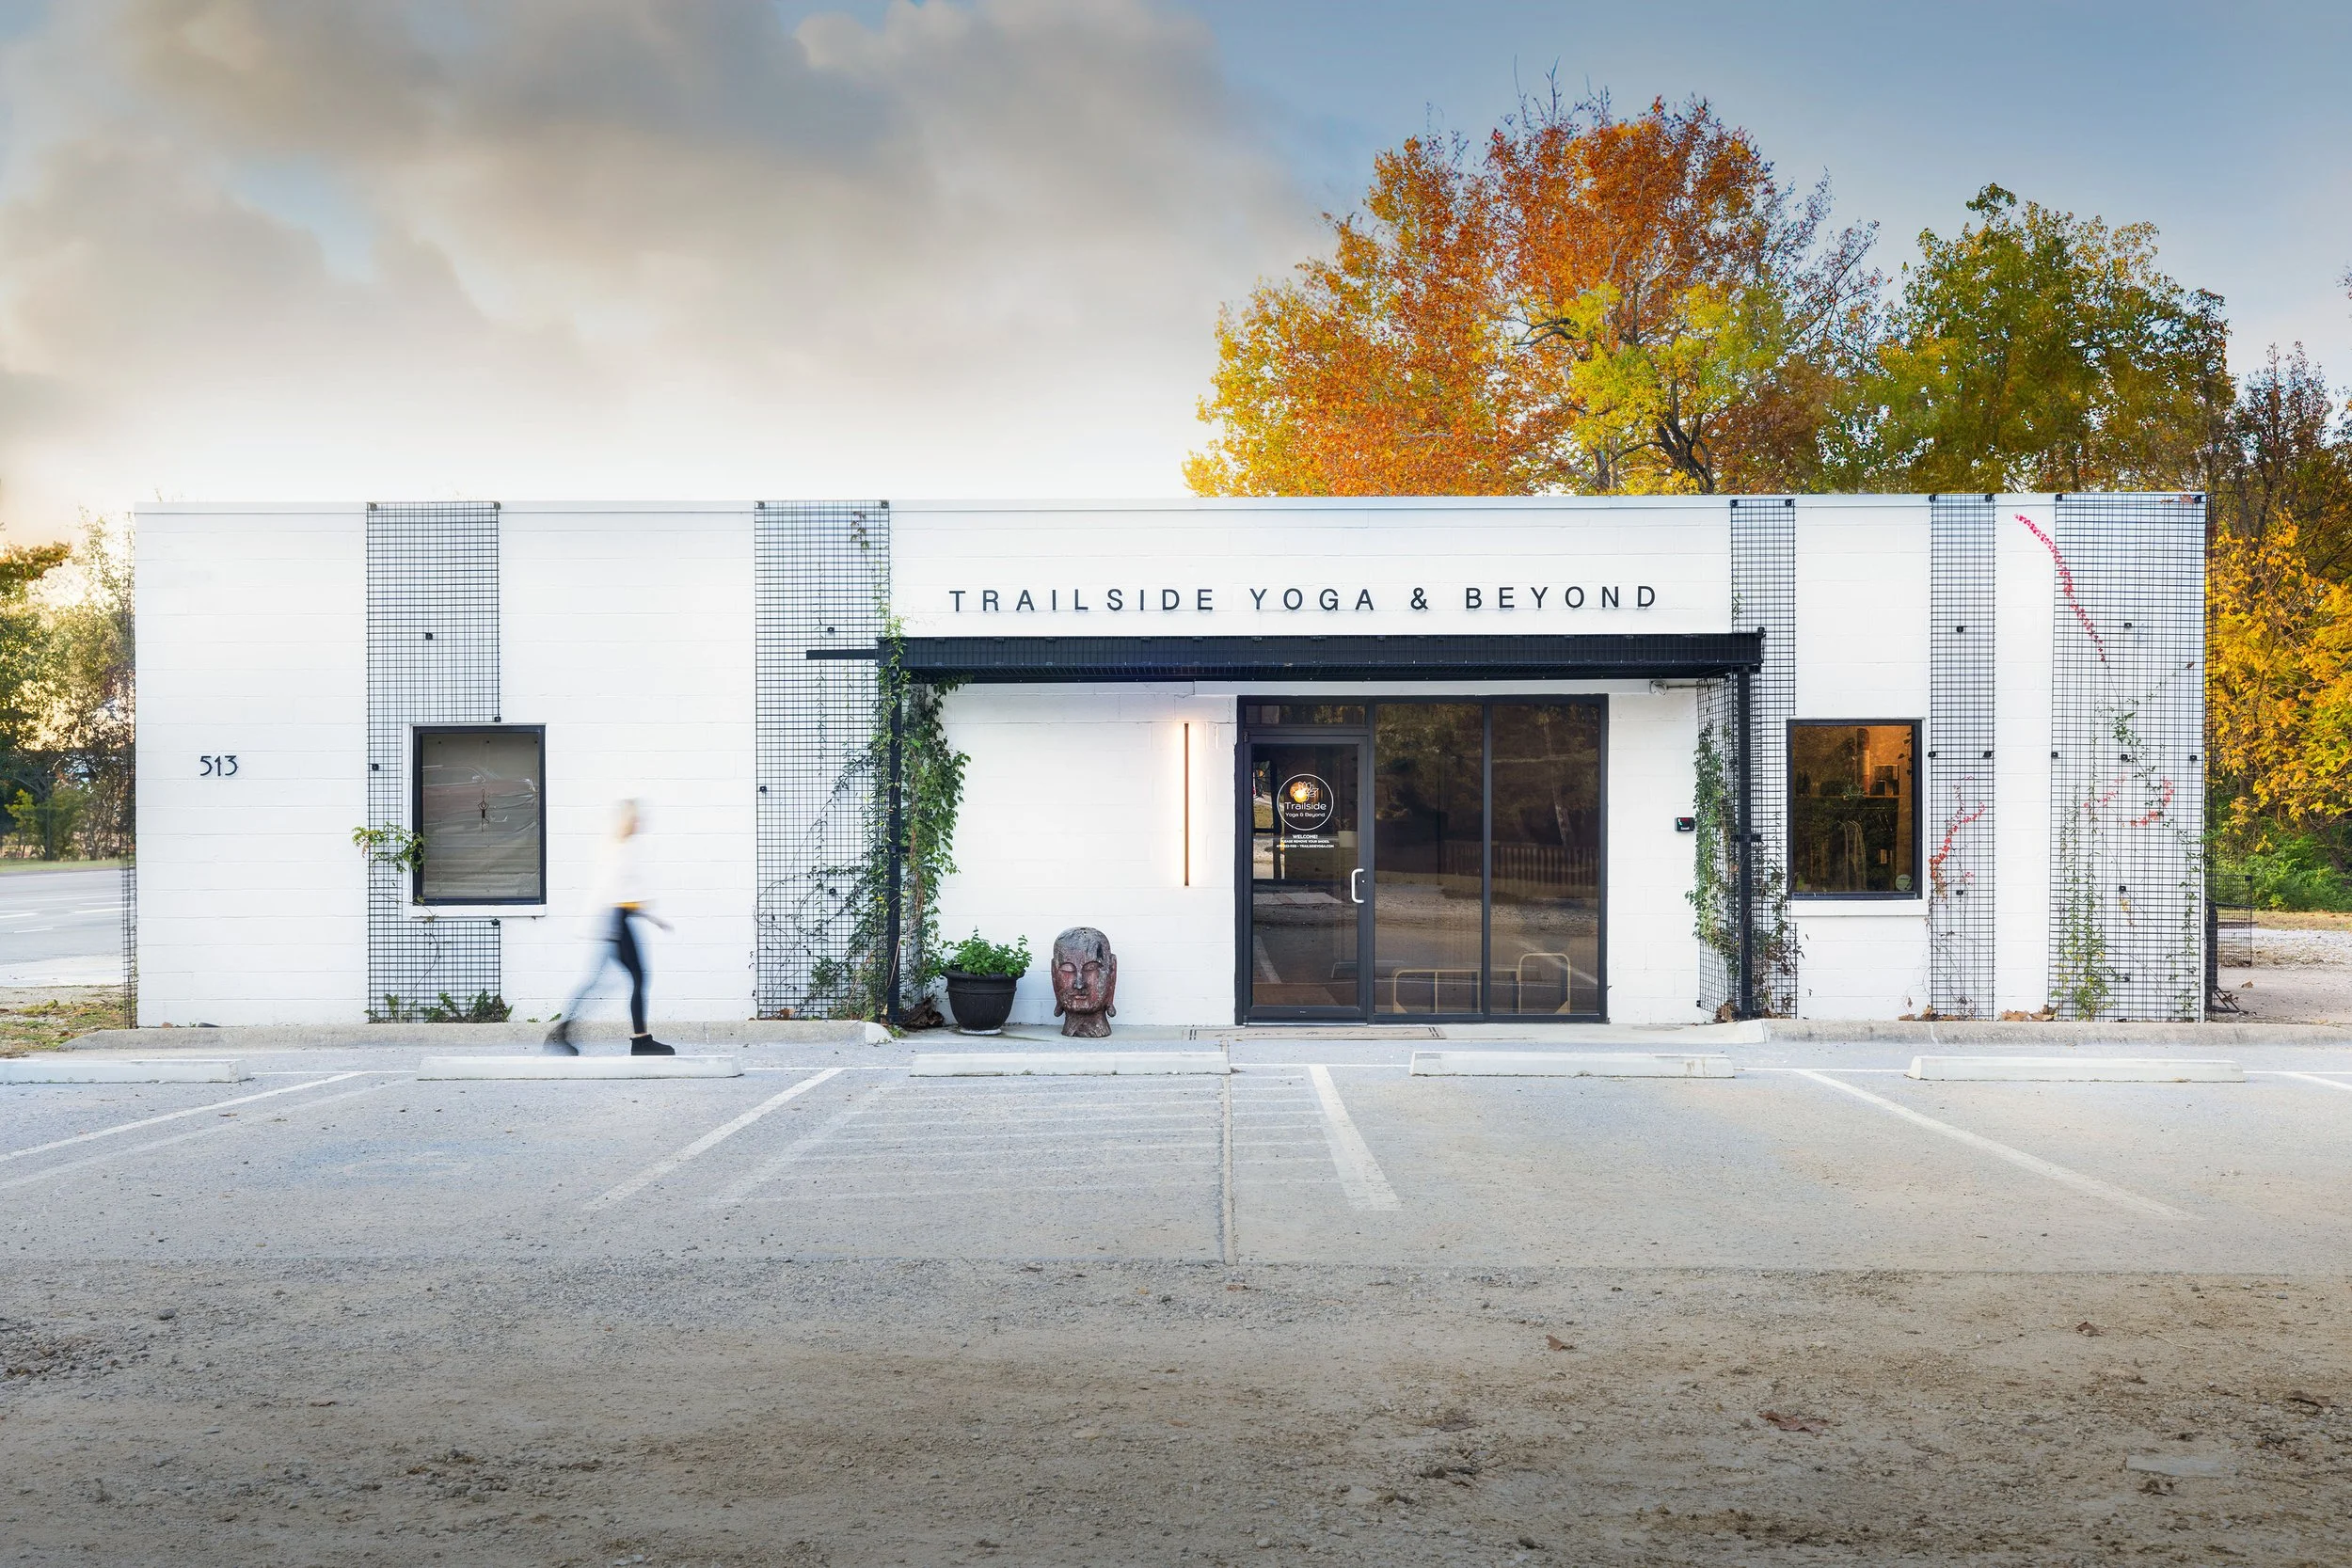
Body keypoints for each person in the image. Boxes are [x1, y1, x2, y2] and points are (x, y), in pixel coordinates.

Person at [546, 800, 674, 1055]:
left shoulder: (622, 847)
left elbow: (625, 892)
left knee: (603, 981)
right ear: (629, 820)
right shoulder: (619, 850)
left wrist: (651, 916)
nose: (640, 823)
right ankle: (641, 1041)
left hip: (617, 920)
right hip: (615, 920)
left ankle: (562, 1033)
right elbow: (614, 892)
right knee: (635, 977)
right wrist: (636, 916)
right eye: (637, 818)